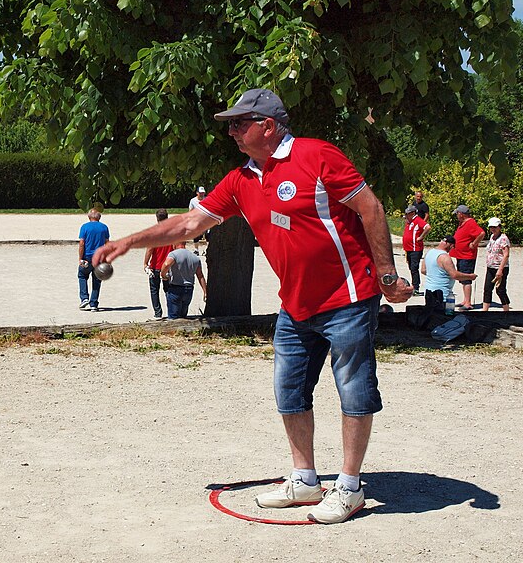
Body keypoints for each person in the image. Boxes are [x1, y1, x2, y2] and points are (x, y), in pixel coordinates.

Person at [92, 87, 412, 524]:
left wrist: (387, 275)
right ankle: (305, 480)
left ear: (268, 125)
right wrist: (128, 242)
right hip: (296, 304)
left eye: (241, 123)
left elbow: (371, 209)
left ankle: (350, 487)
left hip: (348, 296)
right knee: (289, 391)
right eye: (232, 125)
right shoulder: (242, 180)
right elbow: (189, 222)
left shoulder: (316, 156)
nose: (234, 132)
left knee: (353, 389)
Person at [421, 235, 477, 310]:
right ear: (450, 245)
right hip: (442, 294)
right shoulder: (445, 257)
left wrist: (435, 273)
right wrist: (470, 276)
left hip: (429, 291)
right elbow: (454, 275)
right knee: (444, 318)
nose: (451, 249)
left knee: (431, 316)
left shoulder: (429, 252)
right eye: (452, 247)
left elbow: (423, 270)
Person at [160, 241, 207, 318]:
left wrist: (163, 276)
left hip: (176, 288)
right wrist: (205, 291)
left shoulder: (173, 254)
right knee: (183, 316)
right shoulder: (195, 257)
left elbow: (166, 264)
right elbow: (200, 276)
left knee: (173, 317)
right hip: (189, 289)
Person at [451, 204, 485, 311]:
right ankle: (465, 300)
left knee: (466, 278)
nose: (456, 215)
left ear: (461, 214)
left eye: (457, 213)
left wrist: (474, 243)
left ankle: (468, 302)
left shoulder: (470, 223)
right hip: (461, 254)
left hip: (467, 255)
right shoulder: (463, 223)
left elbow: (481, 233)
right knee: (462, 278)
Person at [77, 209, 110, 312]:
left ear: (89, 217)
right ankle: (94, 304)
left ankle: (84, 298)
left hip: (87, 257)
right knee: (97, 280)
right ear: (99, 217)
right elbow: (107, 244)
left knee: (82, 276)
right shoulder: (104, 227)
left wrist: (80, 258)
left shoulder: (85, 227)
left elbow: (82, 243)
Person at [143, 209, 173, 319]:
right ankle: (171, 311)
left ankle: (158, 312)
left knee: (154, 290)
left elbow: (150, 249)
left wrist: (145, 263)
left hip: (155, 265)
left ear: (157, 218)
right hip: (168, 265)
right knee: (168, 290)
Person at [481, 217, 511, 312]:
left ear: (499, 227)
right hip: (491, 267)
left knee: (500, 290)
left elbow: (506, 255)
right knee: (487, 289)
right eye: (491, 227)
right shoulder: (492, 237)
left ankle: (506, 311)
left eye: (495, 227)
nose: (493, 229)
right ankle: (485, 311)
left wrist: (500, 270)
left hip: (500, 268)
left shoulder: (503, 238)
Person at [402, 205, 431, 296]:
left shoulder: (417, 220)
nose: (406, 216)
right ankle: (414, 285)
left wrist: (421, 237)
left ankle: (416, 287)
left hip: (415, 249)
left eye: (407, 214)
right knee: (411, 267)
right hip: (408, 248)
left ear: (412, 213)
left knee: (414, 268)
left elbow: (428, 227)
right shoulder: (409, 221)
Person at [188, 186, 208, 254]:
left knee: (208, 236)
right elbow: (191, 211)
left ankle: (207, 250)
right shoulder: (193, 201)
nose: (202, 194)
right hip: (197, 220)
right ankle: (196, 250)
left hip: (206, 220)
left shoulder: (207, 199)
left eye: (203, 193)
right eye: (200, 193)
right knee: (196, 236)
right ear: (197, 193)